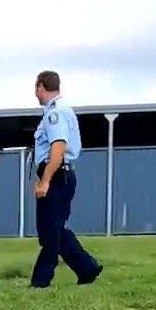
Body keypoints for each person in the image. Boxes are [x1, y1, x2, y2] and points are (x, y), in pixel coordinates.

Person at [30, 70, 103, 288]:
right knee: (54, 229)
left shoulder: (55, 113)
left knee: (50, 231)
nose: (35, 93)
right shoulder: (65, 110)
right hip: (62, 174)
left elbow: (58, 147)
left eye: (36, 88)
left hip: (57, 174)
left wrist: (45, 180)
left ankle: (40, 281)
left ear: (40, 86)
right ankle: (86, 267)